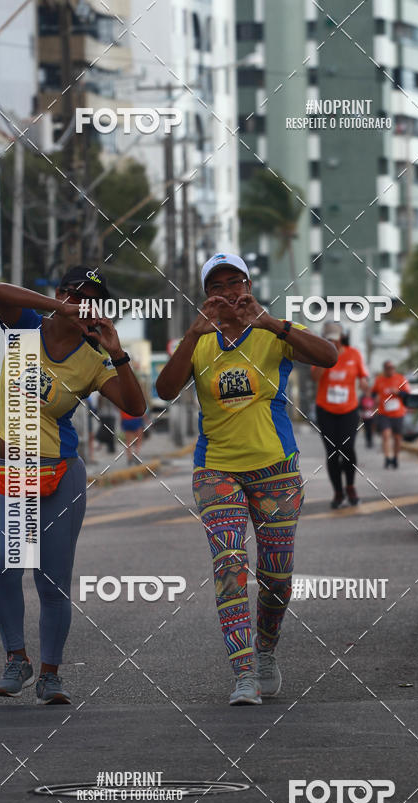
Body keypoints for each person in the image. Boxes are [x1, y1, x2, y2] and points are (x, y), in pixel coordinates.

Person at [156, 252, 336, 705]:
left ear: (249, 285)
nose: (229, 293)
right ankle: (242, 674)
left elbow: (329, 356)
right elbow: (164, 390)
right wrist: (192, 334)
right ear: (206, 296)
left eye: (235, 282)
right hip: (215, 469)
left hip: (277, 469)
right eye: (218, 287)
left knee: (276, 576)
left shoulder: (274, 332)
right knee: (230, 565)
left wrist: (272, 323)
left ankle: (266, 653)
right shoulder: (198, 340)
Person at [0, 266, 146, 704]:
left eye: (94, 300)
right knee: (1, 566)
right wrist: (61, 307)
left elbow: (135, 405)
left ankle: (51, 674)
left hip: (58, 474)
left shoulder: (93, 360)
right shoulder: (24, 328)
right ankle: (17, 658)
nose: (85, 305)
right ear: (59, 293)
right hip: (3, 469)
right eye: (78, 295)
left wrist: (117, 351)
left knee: (51, 580)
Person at [310, 323, 369, 508]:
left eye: (335, 338)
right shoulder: (319, 354)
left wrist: (365, 383)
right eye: (328, 339)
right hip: (325, 410)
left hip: (349, 409)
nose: (333, 342)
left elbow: (363, 376)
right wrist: (326, 357)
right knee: (332, 453)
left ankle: (350, 486)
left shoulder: (354, 354)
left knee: (348, 449)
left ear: (341, 337)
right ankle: (338, 492)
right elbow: (315, 378)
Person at [372, 359, 410, 469]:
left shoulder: (400, 379)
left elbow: (407, 394)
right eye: (388, 368)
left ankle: (395, 457)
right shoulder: (379, 380)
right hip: (384, 413)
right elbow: (374, 393)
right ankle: (387, 457)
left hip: (398, 413)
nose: (391, 370)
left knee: (397, 438)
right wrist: (375, 398)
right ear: (384, 369)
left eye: (392, 368)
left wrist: (398, 392)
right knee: (386, 435)